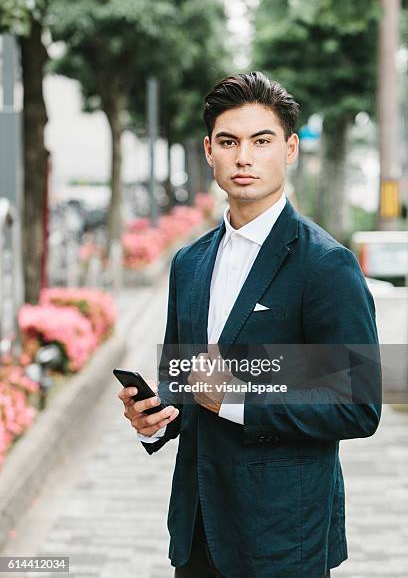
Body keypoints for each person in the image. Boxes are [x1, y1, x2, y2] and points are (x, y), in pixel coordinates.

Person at [118, 72, 381, 578]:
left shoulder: (326, 265)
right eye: (229, 141)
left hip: (283, 538)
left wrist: (236, 399)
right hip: (197, 532)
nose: (244, 157)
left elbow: (359, 403)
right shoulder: (189, 261)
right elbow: (185, 379)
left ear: (289, 149)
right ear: (208, 150)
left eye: (261, 141)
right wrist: (155, 416)